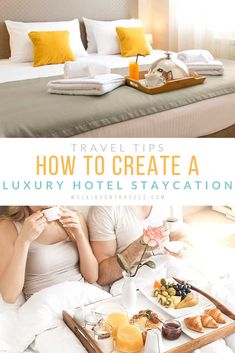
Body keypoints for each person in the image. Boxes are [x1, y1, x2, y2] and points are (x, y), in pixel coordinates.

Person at [0, 206, 98, 303]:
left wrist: (79, 235)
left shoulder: (74, 218)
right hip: (45, 303)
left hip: (81, 297)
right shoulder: (8, 227)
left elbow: (92, 277)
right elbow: (9, 296)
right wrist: (23, 241)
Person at [89, 206, 192, 286]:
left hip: (170, 271)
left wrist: (185, 245)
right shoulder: (105, 209)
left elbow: (178, 232)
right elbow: (102, 275)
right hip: (133, 283)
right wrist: (140, 245)